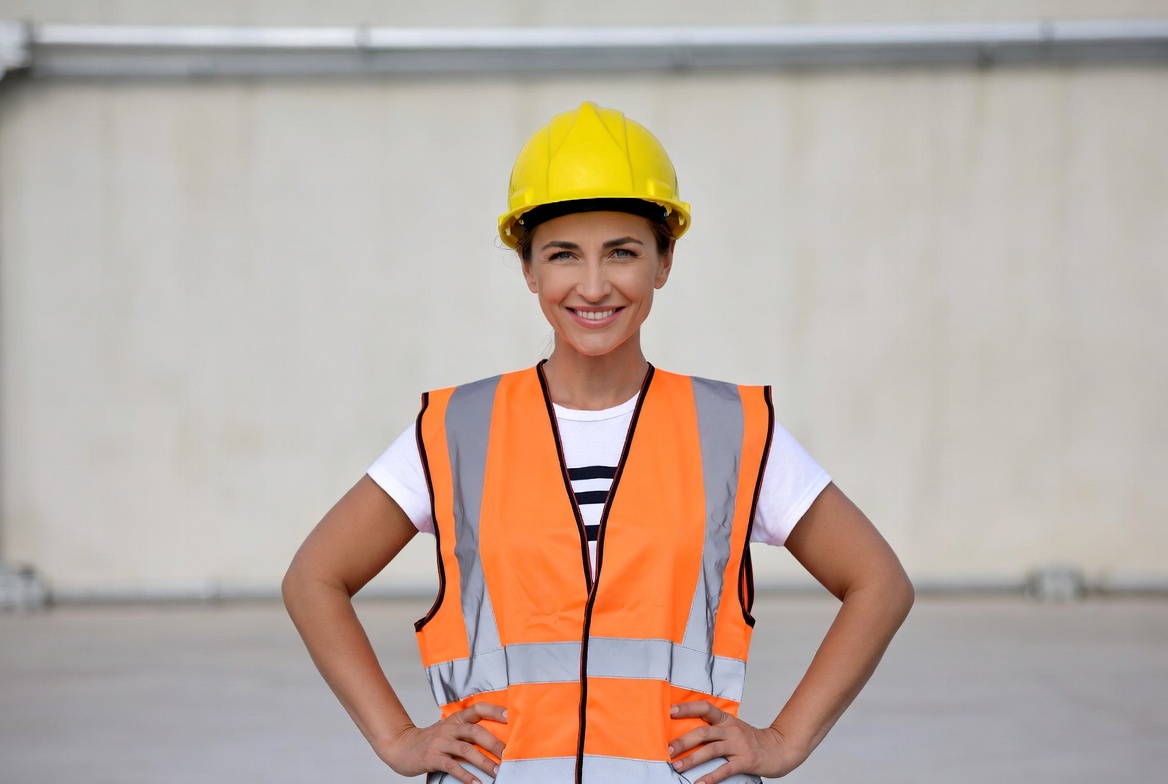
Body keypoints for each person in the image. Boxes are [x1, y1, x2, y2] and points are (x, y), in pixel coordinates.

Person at [283, 101, 914, 784]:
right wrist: (399, 738)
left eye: (622, 252)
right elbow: (314, 579)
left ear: (664, 262)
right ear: (527, 269)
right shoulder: (457, 431)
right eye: (562, 255)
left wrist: (785, 740)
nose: (592, 285)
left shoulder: (732, 431)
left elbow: (879, 584)